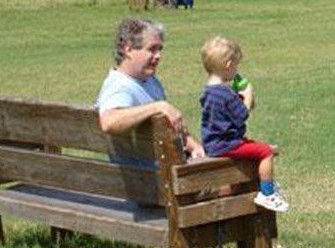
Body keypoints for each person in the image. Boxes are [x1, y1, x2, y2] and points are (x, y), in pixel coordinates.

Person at [96, 18, 205, 166]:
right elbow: (109, 122)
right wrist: (158, 106)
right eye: (152, 49)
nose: (158, 55)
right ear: (127, 49)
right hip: (152, 181)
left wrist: (195, 147)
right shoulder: (120, 87)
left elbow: (173, 128)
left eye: (160, 49)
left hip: (161, 173)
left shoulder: (149, 80)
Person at [199, 36, 288, 213]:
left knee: (254, 145)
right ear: (228, 65)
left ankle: (266, 181)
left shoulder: (208, 91)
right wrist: (248, 95)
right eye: (236, 65)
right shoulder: (225, 92)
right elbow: (241, 116)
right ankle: (267, 193)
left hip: (212, 143)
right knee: (265, 152)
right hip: (226, 145)